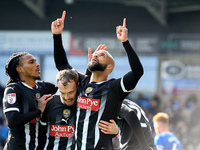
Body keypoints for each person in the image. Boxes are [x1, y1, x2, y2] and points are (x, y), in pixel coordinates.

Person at [52, 11, 144, 150]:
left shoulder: (114, 88)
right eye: (95, 55)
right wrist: (57, 35)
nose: (95, 56)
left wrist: (125, 42)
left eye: (101, 55)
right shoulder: (81, 82)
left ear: (110, 67)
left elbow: (137, 72)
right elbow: (62, 66)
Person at [40, 69, 119, 150]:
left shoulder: (84, 104)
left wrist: (115, 131)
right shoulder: (49, 103)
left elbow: (96, 128)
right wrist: (39, 112)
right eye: (62, 93)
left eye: (70, 92)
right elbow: (41, 131)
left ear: (77, 86)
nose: (66, 97)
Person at [3, 52, 58, 150]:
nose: (37, 64)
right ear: (19, 69)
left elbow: (70, 88)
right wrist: (38, 111)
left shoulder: (45, 87)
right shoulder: (13, 89)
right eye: (31, 62)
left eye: (36, 61)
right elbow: (12, 120)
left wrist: (90, 68)